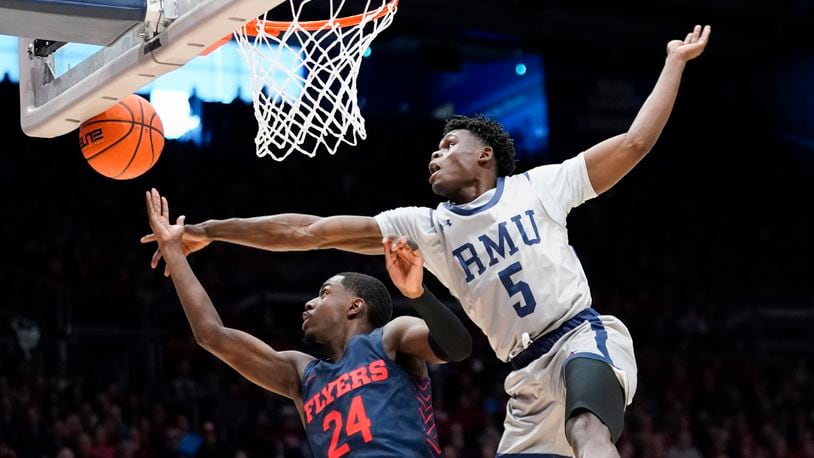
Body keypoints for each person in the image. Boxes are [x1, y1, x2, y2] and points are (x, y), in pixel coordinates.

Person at [142, 25, 711, 457]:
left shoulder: (541, 186)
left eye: (448, 144)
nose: (436, 154)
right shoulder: (425, 227)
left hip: (580, 334)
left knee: (587, 427)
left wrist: (673, 63)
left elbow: (634, 143)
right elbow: (307, 231)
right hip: (523, 373)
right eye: (434, 149)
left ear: (484, 156)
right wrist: (204, 232)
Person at [143, 189, 472, 457]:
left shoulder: (390, 338)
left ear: (355, 306)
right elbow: (212, 335)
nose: (309, 303)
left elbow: (457, 347)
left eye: (325, 292)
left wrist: (418, 294)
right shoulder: (301, 374)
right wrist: (174, 252)